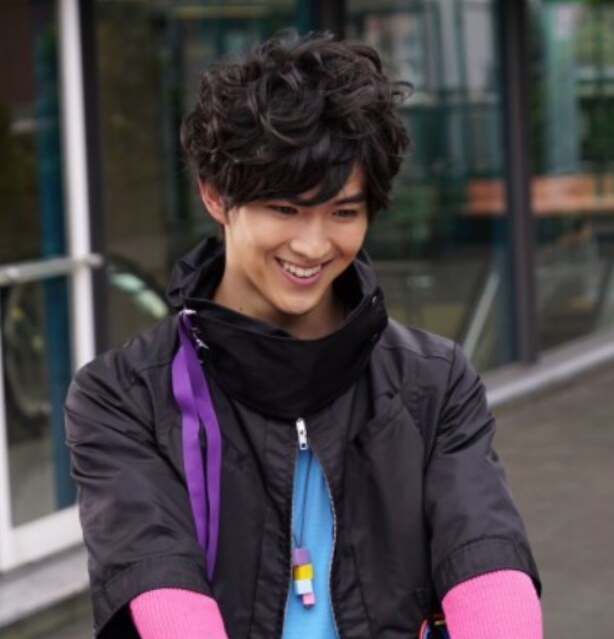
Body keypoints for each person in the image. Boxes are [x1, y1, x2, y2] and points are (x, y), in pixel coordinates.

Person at [65, 31, 543, 639]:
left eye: (343, 212)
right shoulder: (123, 396)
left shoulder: (434, 380)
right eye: (285, 209)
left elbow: (486, 557)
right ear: (215, 194)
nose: (313, 246)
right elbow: (157, 586)